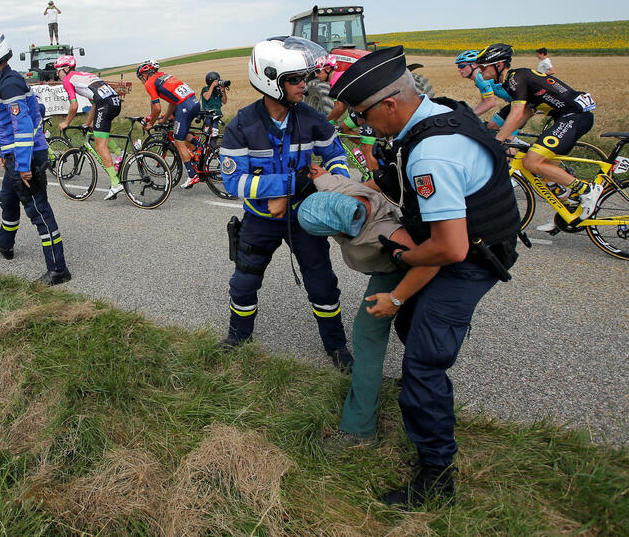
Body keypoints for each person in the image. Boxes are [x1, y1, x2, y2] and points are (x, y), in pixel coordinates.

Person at [331, 45, 520, 508]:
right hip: (479, 243)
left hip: (468, 261)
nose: (361, 126)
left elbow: (449, 249)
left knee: (423, 364)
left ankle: (436, 478)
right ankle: (420, 393)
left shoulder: (430, 155)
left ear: (389, 104)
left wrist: (402, 265)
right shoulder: (441, 114)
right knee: (412, 326)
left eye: (362, 116)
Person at [219, 36, 354, 371]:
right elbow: (235, 181)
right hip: (259, 220)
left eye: (303, 78)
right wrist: (292, 183)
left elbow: (336, 156)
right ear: (270, 80)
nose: (302, 85)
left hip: (304, 217)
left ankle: (336, 346)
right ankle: (239, 337)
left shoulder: (311, 118)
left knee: (322, 284)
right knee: (244, 282)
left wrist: (330, 181)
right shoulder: (241, 126)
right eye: (294, 79)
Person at [298, 166, 439, 451]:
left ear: (334, 231)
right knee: (412, 326)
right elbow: (319, 172)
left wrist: (396, 298)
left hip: (410, 266)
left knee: (367, 336)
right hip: (397, 262)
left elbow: (429, 261)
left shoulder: (387, 234)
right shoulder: (339, 189)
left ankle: (358, 429)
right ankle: (416, 382)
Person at [0, 31, 70, 285]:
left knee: (39, 211)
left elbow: (23, 128)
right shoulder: (4, 81)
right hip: (15, 156)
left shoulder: (10, 83)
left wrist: (23, 165)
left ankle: (58, 270)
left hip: (25, 158)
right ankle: (5, 243)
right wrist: (6, 154)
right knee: (7, 198)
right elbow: (15, 121)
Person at [475, 43, 603, 217]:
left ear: (498, 65)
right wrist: (509, 136)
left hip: (574, 116)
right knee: (548, 175)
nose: (480, 70)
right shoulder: (511, 81)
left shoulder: (515, 77)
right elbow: (527, 111)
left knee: (531, 162)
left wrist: (498, 141)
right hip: (568, 117)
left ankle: (588, 190)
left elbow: (517, 111)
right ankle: (568, 216)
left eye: (483, 66)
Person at [55, 54, 125, 200]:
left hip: (105, 104)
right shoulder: (86, 75)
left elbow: (74, 106)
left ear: (67, 68)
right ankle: (119, 153)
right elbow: (94, 103)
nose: (57, 74)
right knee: (97, 130)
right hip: (114, 102)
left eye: (59, 70)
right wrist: (87, 123)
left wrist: (66, 122)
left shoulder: (68, 80)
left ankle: (115, 183)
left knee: (100, 146)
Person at [137, 60, 203, 189]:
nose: (141, 80)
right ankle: (200, 148)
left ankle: (192, 174)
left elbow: (157, 108)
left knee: (179, 142)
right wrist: (165, 119)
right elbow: (172, 102)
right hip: (194, 103)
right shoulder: (165, 76)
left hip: (184, 107)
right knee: (182, 131)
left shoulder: (150, 82)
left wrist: (150, 124)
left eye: (141, 77)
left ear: (145, 74)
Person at [200, 71, 229, 136]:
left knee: (213, 133)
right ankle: (211, 145)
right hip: (208, 115)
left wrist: (223, 91)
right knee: (212, 134)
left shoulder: (218, 91)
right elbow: (207, 97)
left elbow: (224, 101)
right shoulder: (205, 89)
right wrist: (212, 86)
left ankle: (210, 145)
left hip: (216, 115)